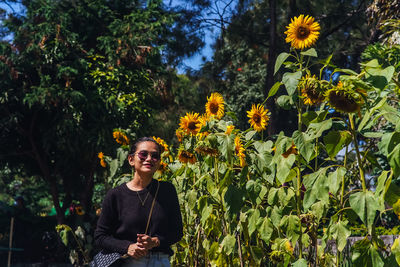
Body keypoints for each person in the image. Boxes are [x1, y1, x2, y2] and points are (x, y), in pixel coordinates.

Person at [94, 137, 183, 266]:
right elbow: (100, 236)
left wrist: (156, 241)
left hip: (159, 261)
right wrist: (127, 247)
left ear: (158, 162)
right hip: (127, 261)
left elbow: (177, 232)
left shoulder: (167, 191)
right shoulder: (116, 195)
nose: (149, 159)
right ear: (131, 159)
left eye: (155, 156)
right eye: (143, 154)